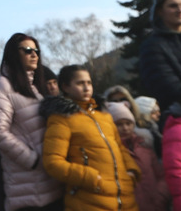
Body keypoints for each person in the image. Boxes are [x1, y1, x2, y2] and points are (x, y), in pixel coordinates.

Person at [41, 65, 140, 211]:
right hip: (88, 200)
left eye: (89, 83)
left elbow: (120, 148)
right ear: (65, 87)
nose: (86, 88)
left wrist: (131, 171)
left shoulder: (104, 116)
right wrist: (90, 178)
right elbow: (53, 162)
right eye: (80, 83)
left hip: (125, 199)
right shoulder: (61, 118)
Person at [0, 34, 63, 211]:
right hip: (28, 190)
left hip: (51, 183)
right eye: (27, 50)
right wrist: (33, 160)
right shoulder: (2, 85)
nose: (34, 54)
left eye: (36, 50)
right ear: (13, 54)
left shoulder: (34, 88)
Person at [106, 102, 168, 211]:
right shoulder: (110, 152)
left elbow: (161, 175)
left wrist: (160, 197)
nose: (125, 128)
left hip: (156, 205)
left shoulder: (145, 147)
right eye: (119, 124)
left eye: (128, 123)